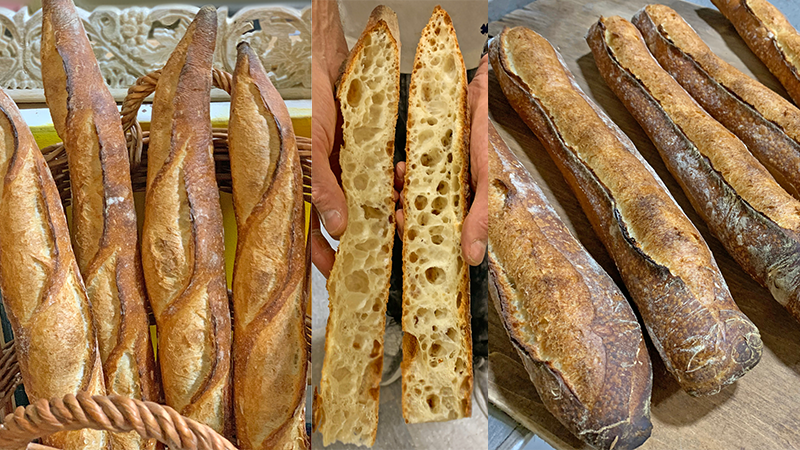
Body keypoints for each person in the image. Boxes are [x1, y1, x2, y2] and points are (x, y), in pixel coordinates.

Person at [312, 0, 487, 276]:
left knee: (466, 258)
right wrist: (320, 31)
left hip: (474, 47)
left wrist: (491, 66)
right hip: (358, 53)